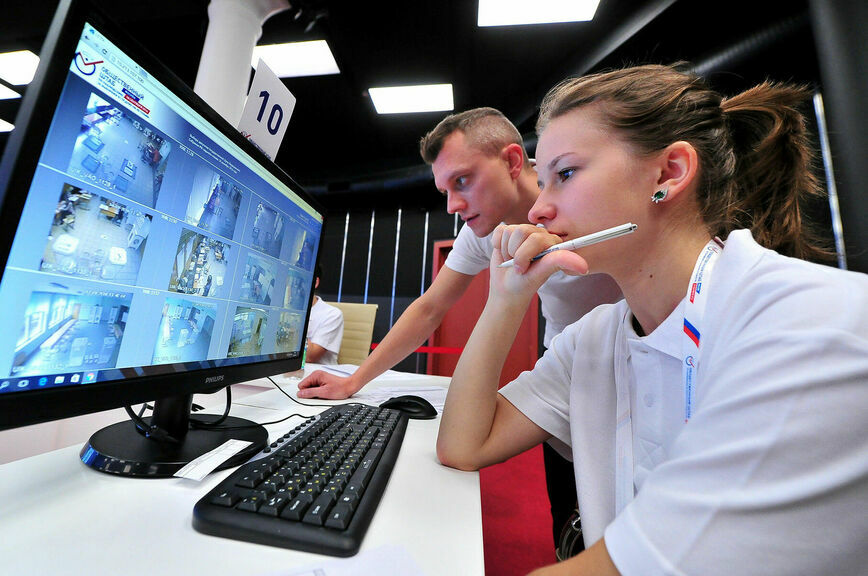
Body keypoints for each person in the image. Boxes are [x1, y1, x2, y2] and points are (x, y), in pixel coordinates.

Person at [436, 64, 868, 575]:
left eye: (565, 174)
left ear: (668, 174)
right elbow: (463, 445)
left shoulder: (810, 323)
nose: (538, 210)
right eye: (542, 181)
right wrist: (505, 300)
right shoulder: (593, 340)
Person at [297, 107, 623, 545]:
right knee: (571, 520)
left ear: (512, 162)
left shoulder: (585, 198)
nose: (452, 205)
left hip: (639, 351)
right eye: (445, 190)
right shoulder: (483, 233)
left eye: (462, 181)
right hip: (566, 365)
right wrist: (354, 380)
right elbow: (429, 308)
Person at [305, 266, 344, 365]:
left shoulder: (332, 314)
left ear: (315, 282)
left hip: (317, 371)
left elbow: (309, 356)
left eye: (298, 280)